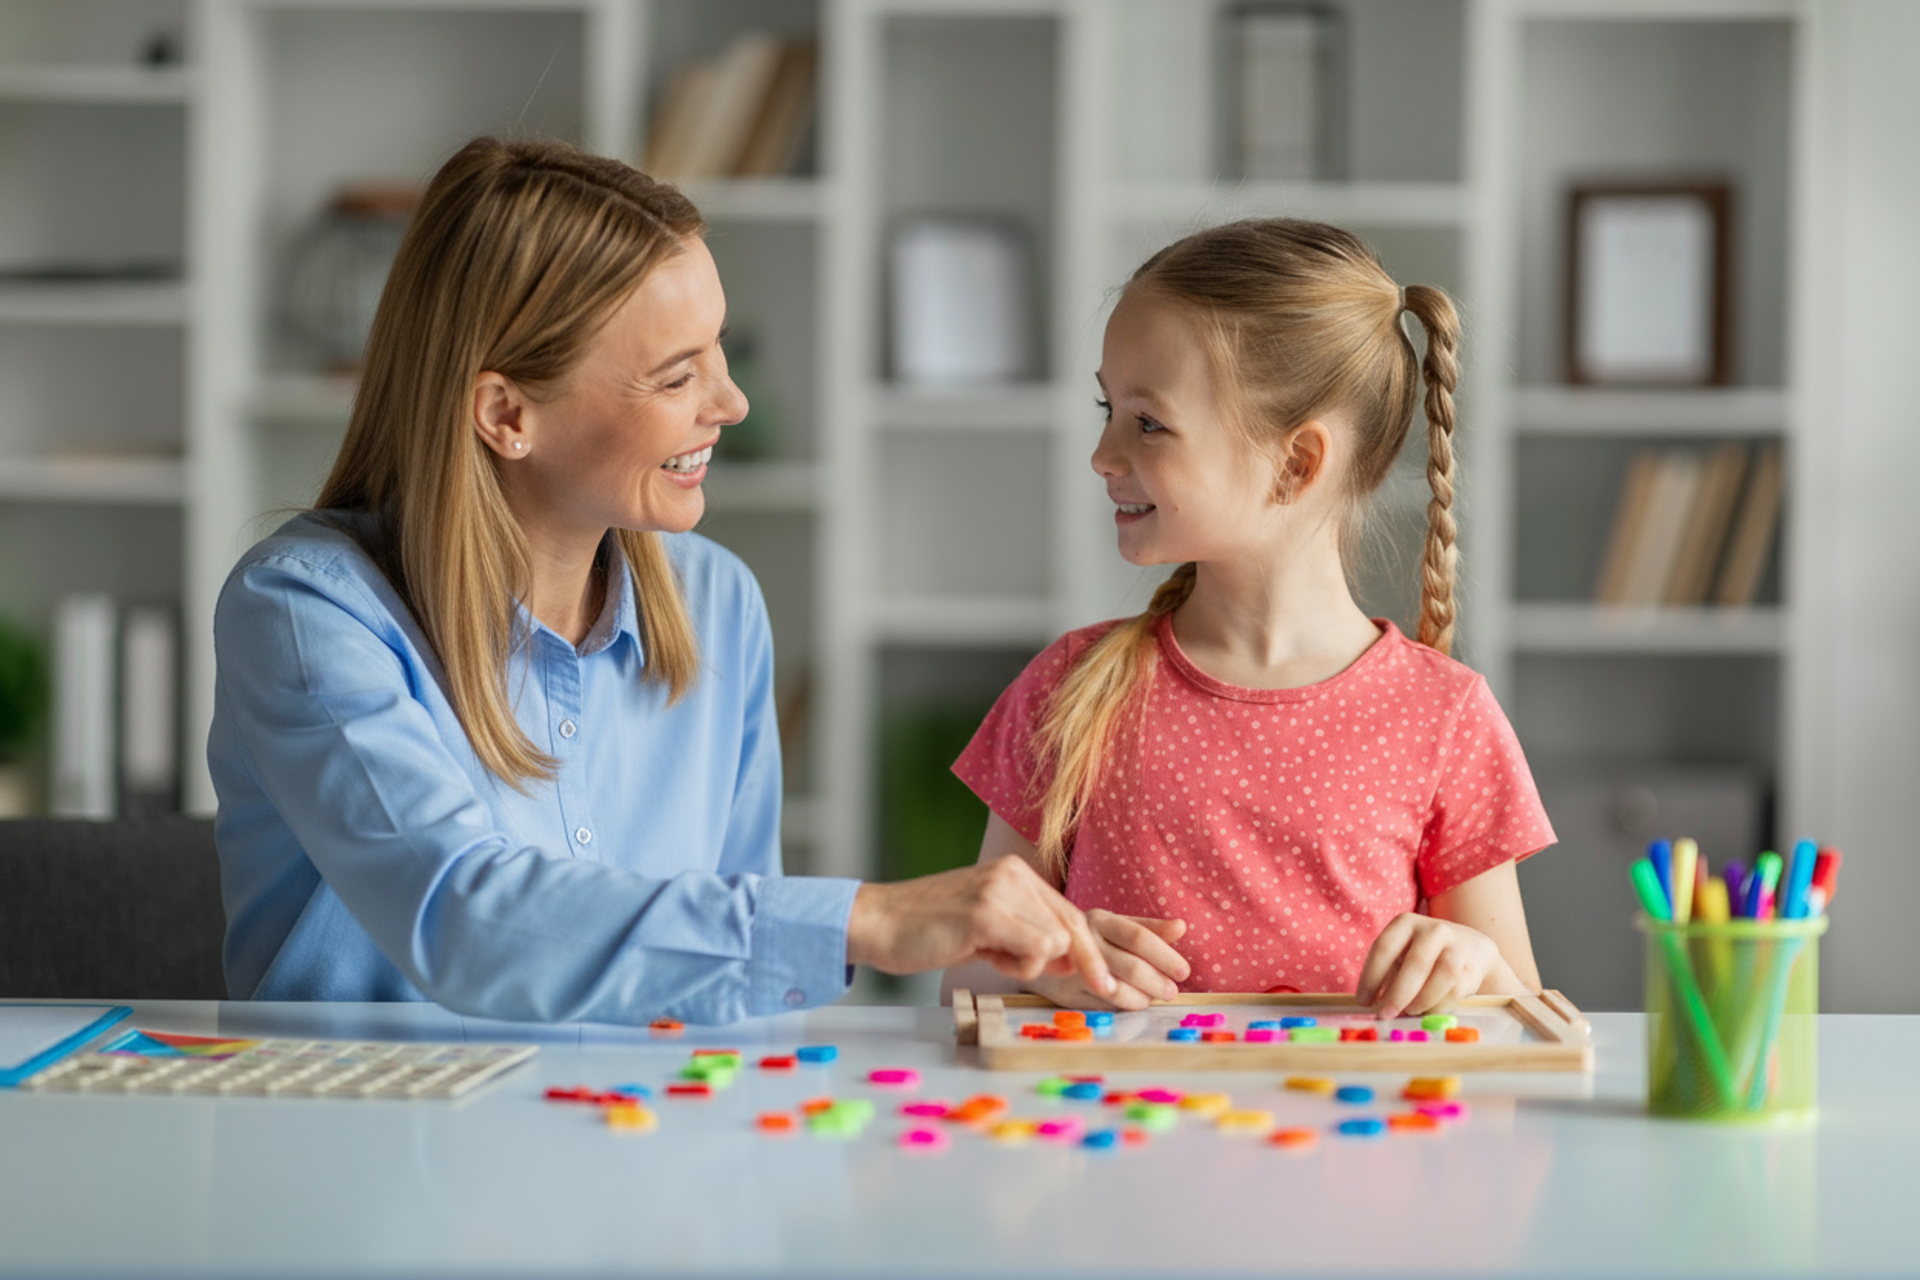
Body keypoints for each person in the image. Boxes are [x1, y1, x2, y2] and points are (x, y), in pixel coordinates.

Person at [209, 136, 1116, 1025]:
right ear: (506, 413)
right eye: (679, 375)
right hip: (352, 1141)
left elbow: (727, 982)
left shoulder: (718, 604)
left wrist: (1037, 952)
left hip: (628, 1136)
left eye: (718, 352)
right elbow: (461, 916)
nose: (731, 404)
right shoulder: (306, 612)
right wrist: (870, 919)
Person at [943, 220, 1555, 1017]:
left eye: (1148, 422)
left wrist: (1473, 966)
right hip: (1117, 1137)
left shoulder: (1447, 716)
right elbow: (963, 981)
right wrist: (1042, 965)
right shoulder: (1068, 688)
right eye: (1108, 408)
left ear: (1297, 462)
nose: (1103, 453)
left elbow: (1524, 1013)